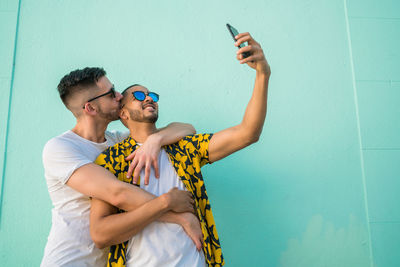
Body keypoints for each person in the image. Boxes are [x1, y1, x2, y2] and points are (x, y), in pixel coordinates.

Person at [91, 32, 271, 267]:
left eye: (151, 95)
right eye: (138, 95)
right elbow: (101, 234)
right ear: (123, 113)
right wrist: (165, 203)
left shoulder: (183, 148)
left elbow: (248, 133)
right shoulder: (112, 160)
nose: (148, 98)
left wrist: (262, 74)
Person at [41, 67, 202, 266]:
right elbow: (118, 193)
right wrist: (179, 215)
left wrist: (155, 140)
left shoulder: (117, 141)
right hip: (70, 259)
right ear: (90, 108)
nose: (119, 97)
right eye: (111, 94)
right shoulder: (61, 148)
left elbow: (186, 129)